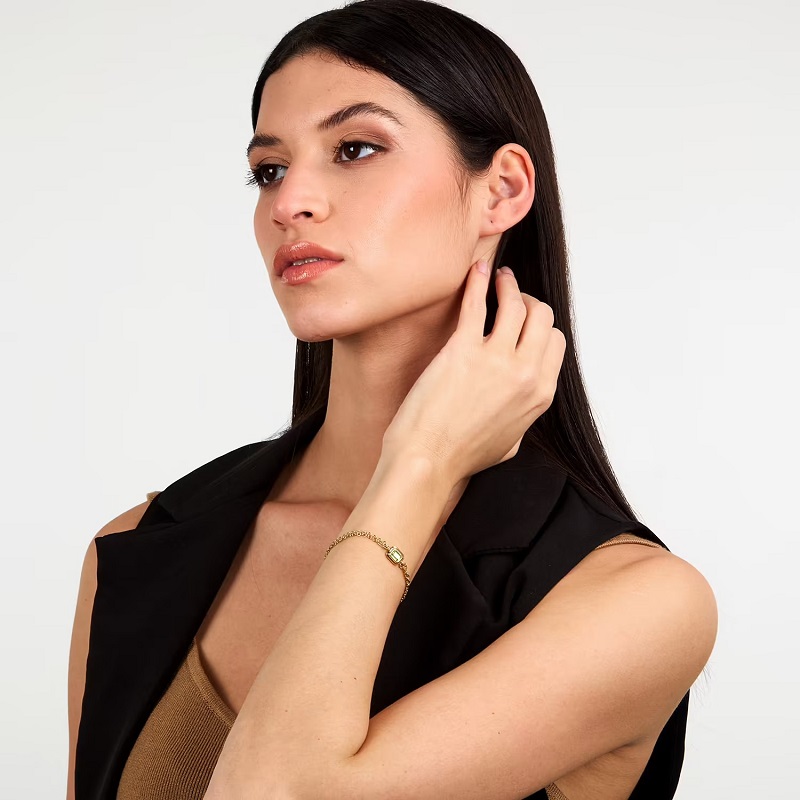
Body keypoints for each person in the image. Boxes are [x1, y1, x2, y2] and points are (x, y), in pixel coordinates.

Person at [67, 1, 717, 798]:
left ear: (502, 190)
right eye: (269, 169)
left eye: (355, 149)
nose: (289, 201)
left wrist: (422, 464)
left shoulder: (637, 604)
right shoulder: (138, 545)